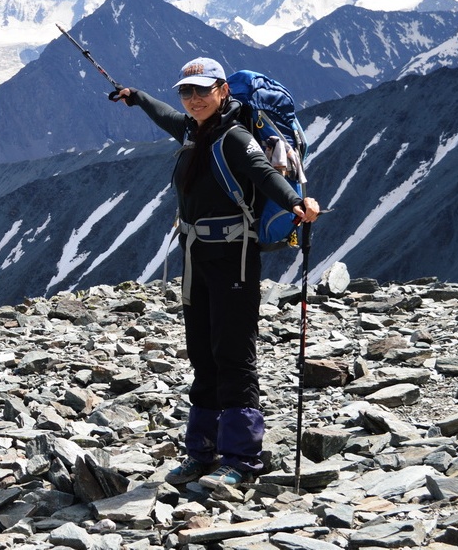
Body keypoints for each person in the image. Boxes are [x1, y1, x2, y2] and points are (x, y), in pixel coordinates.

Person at [111, 57, 319, 489]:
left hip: (234, 259)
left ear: (223, 91)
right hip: (196, 257)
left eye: (203, 91)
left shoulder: (235, 136)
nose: (193, 99)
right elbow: (167, 115)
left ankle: (243, 458)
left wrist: (297, 203)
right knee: (202, 354)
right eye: (186, 91)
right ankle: (201, 452)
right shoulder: (193, 129)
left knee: (233, 357)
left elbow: (263, 173)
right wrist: (137, 97)